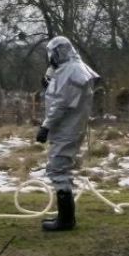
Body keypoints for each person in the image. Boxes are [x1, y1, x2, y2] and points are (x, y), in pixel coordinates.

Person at [35, 36, 100, 232]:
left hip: (67, 129)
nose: (51, 59)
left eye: (52, 55)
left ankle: (66, 220)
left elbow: (61, 104)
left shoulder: (72, 71)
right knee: (59, 168)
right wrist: (49, 82)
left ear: (59, 52)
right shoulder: (69, 69)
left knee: (57, 169)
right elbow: (58, 95)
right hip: (66, 128)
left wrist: (45, 126)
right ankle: (65, 216)